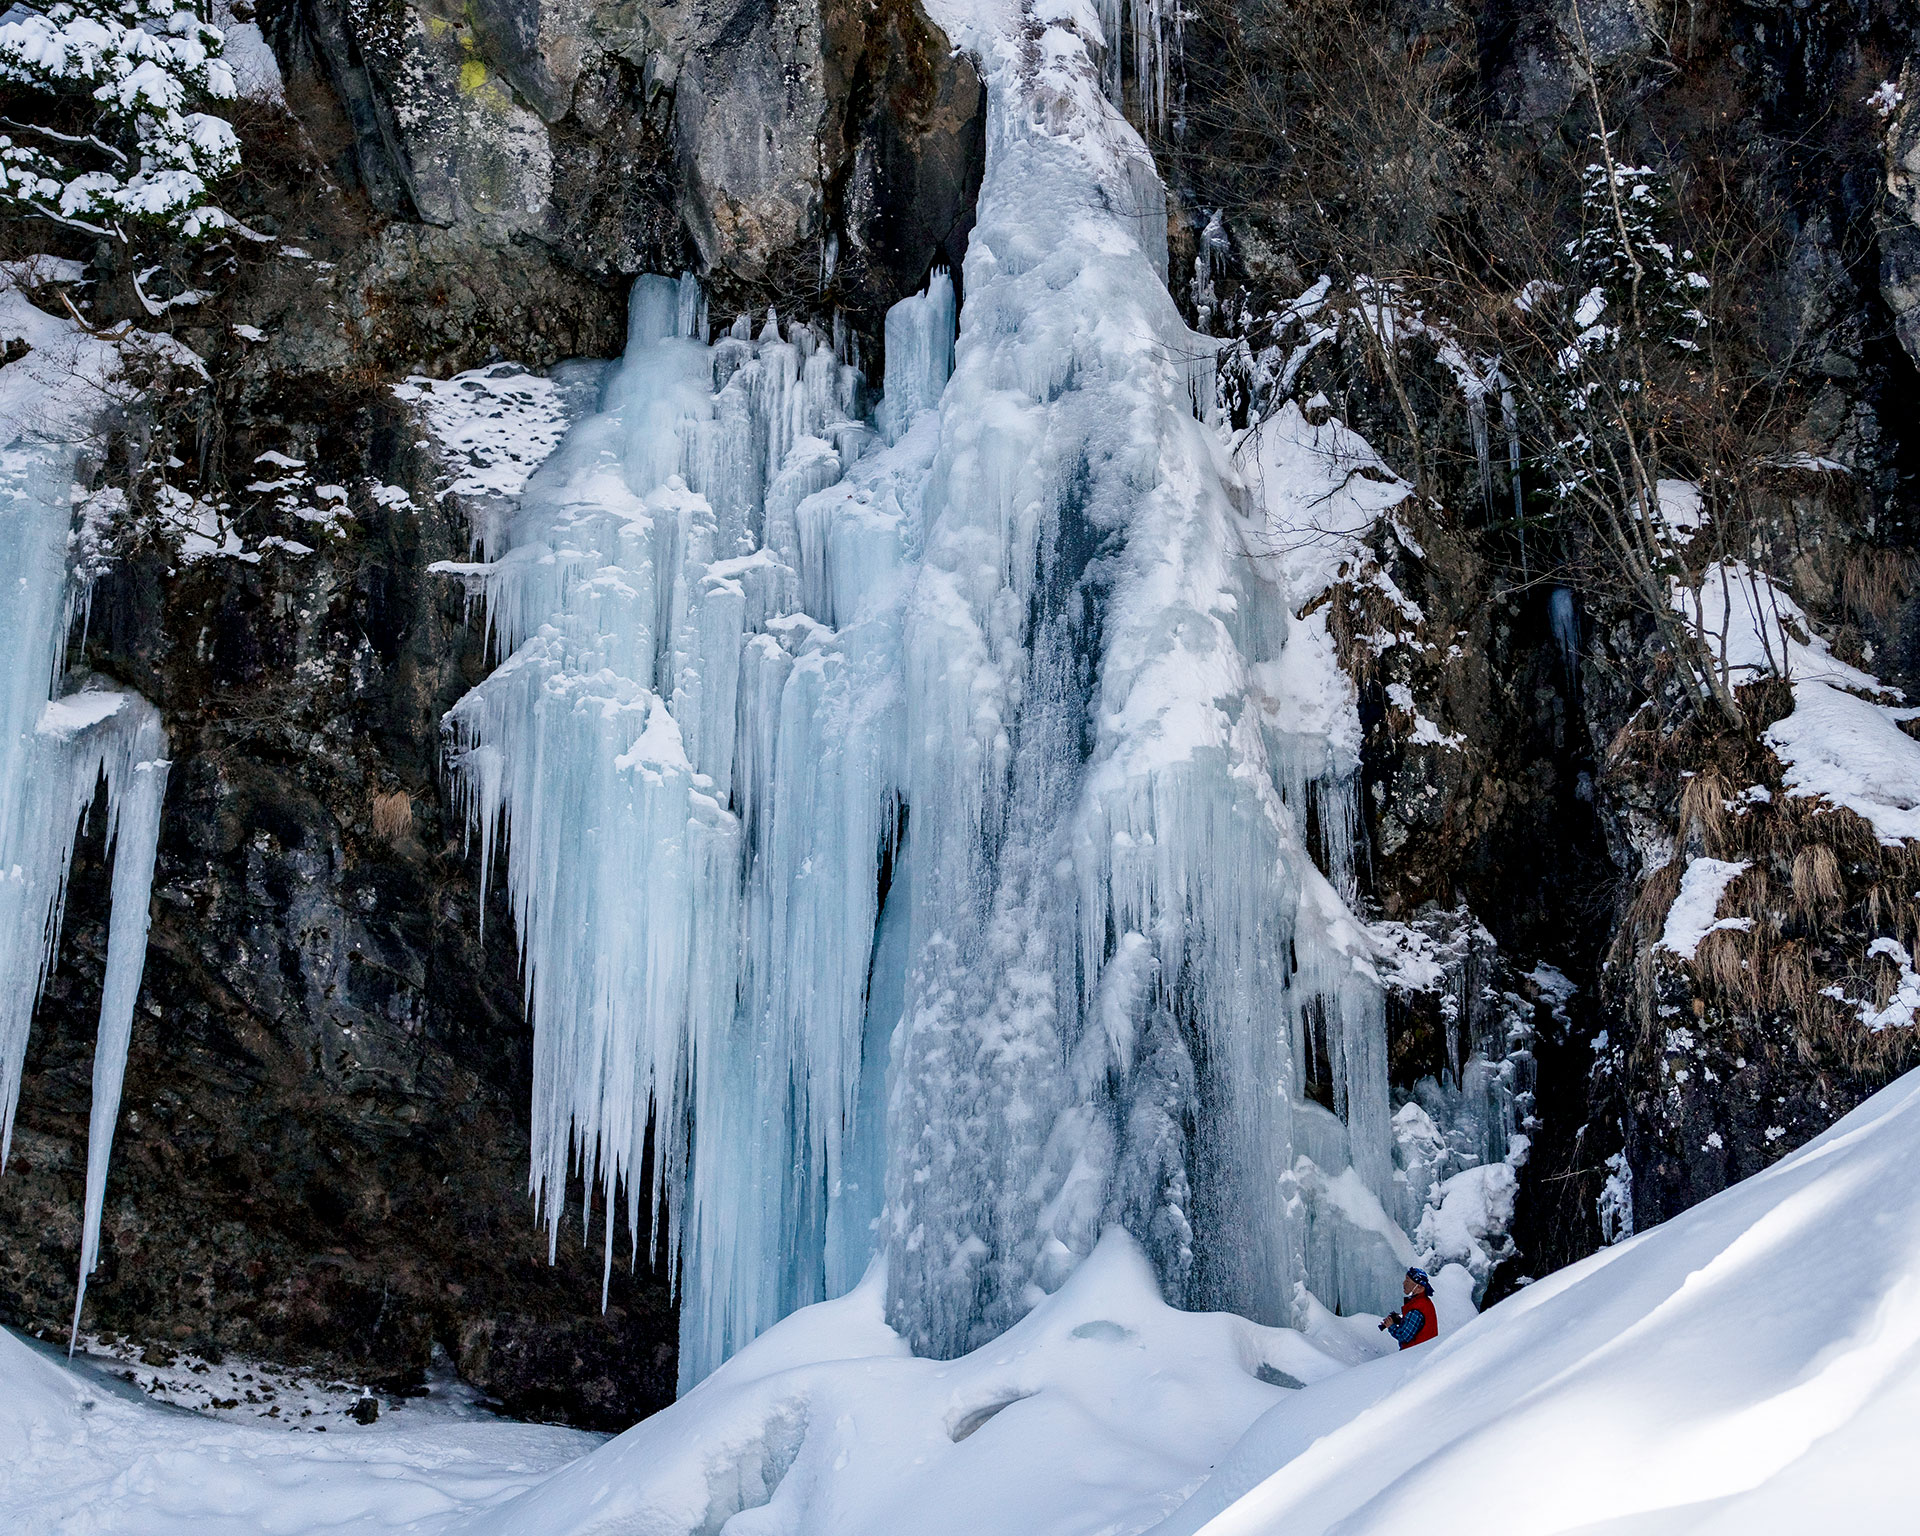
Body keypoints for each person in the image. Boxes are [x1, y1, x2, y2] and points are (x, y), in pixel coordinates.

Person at [1378, 1266, 1438, 1349]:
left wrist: (1391, 1326)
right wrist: (1400, 1320)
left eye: (1407, 1280)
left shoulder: (1417, 1309)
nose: (1404, 1283)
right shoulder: (1423, 1303)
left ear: (1419, 1287)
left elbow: (1404, 1336)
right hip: (1424, 1352)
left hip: (1416, 1355)